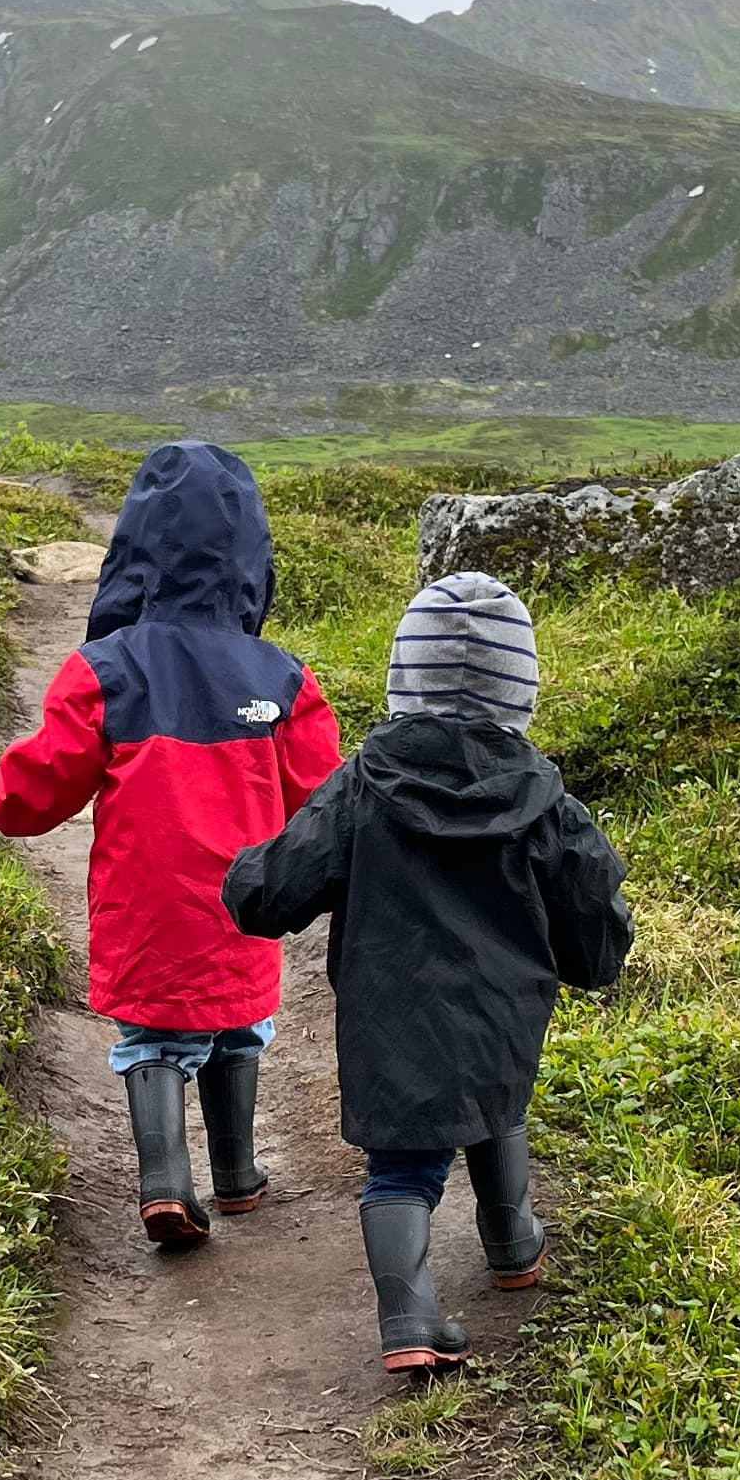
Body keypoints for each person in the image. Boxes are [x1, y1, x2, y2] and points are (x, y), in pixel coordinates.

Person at [222, 567, 631, 1377]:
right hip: (502, 1016)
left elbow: (271, 894)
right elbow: (594, 912)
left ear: (405, 674)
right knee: (496, 1099)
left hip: (389, 1014)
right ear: (520, 685)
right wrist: (595, 961)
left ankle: (409, 1317)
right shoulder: (544, 798)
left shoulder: (362, 786)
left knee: (403, 1166)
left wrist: (244, 874)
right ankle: (513, 1243)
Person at [0, 441, 341, 1253]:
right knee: (241, 1028)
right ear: (251, 559)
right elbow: (323, 799)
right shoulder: (283, 679)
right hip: (246, 904)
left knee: (155, 1039)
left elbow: (44, 785)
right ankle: (238, 1177)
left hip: (145, 906)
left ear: (132, 552)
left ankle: (165, 1185)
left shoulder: (103, 669)